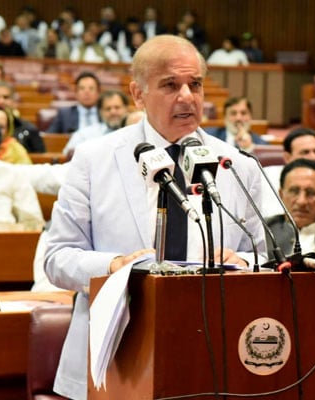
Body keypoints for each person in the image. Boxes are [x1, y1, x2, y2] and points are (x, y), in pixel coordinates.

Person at [44, 35, 265, 400]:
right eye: (170, 85)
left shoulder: (238, 166)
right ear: (138, 94)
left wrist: (243, 260)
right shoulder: (94, 159)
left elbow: (266, 255)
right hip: (116, 358)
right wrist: (113, 265)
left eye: (195, 84)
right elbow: (57, 258)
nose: (186, 96)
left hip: (211, 354)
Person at [62, 90, 129, 156]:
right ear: (100, 112)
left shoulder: (134, 131)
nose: (113, 112)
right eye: (108, 109)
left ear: (126, 108)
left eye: (117, 107)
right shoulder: (85, 134)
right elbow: (68, 154)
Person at [0, 80, 46, 153]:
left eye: (6, 97)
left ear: (13, 101)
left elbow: (40, 159)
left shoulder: (29, 129)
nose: (1, 101)